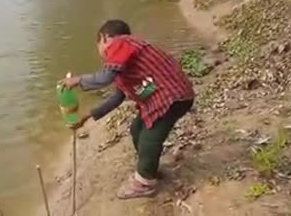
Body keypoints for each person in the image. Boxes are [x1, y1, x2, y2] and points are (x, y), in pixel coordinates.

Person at [58, 19, 194, 200]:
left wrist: (78, 80)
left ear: (105, 38)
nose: (102, 54)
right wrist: (86, 117)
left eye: (98, 45)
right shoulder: (126, 62)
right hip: (161, 94)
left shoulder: (121, 43)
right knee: (137, 129)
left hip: (172, 96)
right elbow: (117, 97)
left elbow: (104, 78)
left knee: (149, 138)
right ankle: (149, 168)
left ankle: (145, 183)